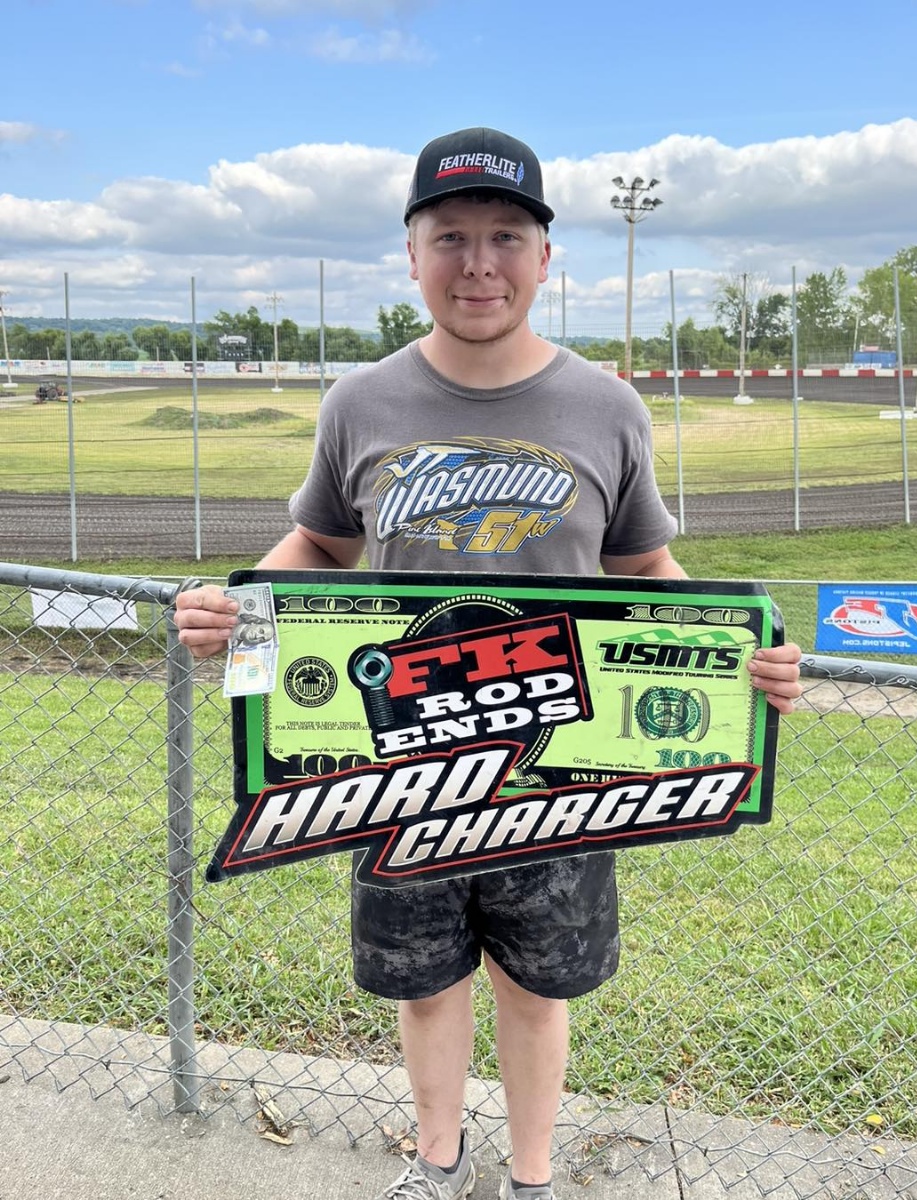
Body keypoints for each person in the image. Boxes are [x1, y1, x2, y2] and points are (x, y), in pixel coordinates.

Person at [174, 126, 802, 1200]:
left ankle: (532, 1177)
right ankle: (434, 1162)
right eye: (451, 235)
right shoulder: (360, 403)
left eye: (506, 236)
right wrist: (236, 605)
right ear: (411, 255)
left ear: (545, 260)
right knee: (424, 987)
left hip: (562, 763)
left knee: (534, 985)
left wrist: (739, 656)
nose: (479, 263)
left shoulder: (606, 407)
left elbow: (647, 566)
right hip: (395, 763)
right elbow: (321, 549)